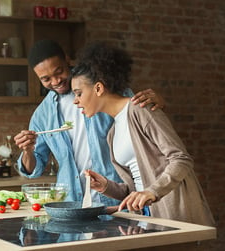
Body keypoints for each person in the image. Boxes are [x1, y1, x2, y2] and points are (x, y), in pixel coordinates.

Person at [71, 41, 214, 226]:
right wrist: (106, 186)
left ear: (98, 88)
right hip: (146, 219)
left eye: (78, 93)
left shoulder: (141, 109)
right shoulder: (113, 132)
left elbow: (181, 159)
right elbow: (136, 187)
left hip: (172, 215)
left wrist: (152, 191)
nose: (75, 101)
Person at [14, 39, 165, 206]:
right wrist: (27, 151)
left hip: (117, 198)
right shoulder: (42, 115)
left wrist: (155, 104)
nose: (56, 81)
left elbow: (142, 119)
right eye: (46, 79)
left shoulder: (105, 90)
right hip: (72, 203)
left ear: (67, 59)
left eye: (59, 72)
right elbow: (33, 171)